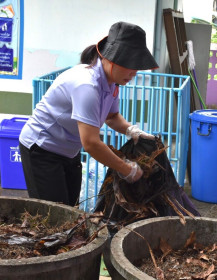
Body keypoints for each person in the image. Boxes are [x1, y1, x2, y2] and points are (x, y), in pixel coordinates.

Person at [19, 22, 159, 207]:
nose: (134, 72)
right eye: (131, 65)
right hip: (42, 149)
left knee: (70, 209)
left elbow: (111, 116)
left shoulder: (111, 83)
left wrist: (132, 130)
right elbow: (91, 143)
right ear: (111, 59)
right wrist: (126, 169)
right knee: (53, 215)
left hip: (69, 150)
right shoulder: (87, 86)